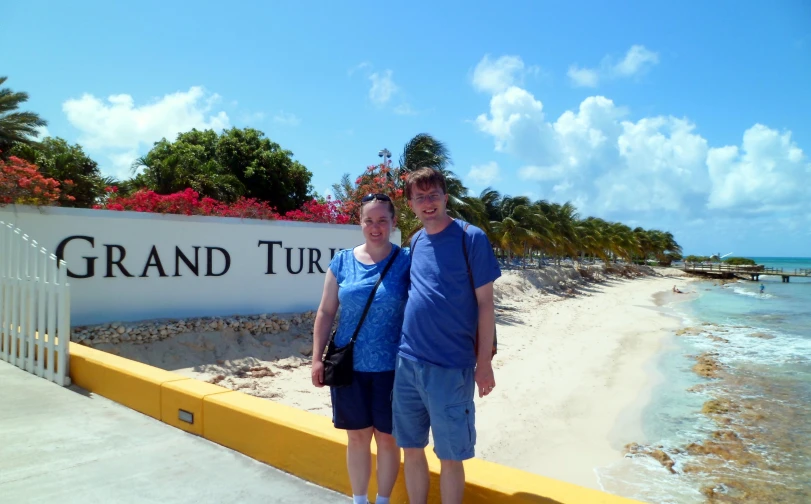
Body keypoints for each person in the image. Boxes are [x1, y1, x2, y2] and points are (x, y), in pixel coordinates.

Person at [393, 167, 502, 504]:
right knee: (411, 449)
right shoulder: (416, 241)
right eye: (420, 197)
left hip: (451, 367)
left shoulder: (472, 238)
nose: (428, 203)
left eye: (433, 195)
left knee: (451, 456)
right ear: (410, 203)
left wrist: (483, 364)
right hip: (408, 363)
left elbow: (485, 305)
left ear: (445, 196)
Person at [311, 193, 411, 504]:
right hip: (348, 366)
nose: (376, 227)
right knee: (356, 438)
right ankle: (359, 500)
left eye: (383, 220)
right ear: (360, 223)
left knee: (387, 439)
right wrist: (316, 359)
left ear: (393, 223)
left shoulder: (406, 260)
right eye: (369, 220)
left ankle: (382, 500)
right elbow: (326, 312)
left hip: (392, 369)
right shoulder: (341, 261)